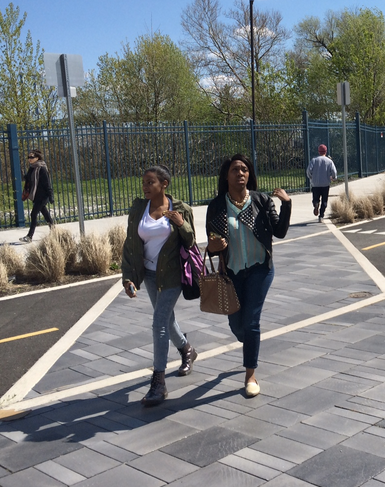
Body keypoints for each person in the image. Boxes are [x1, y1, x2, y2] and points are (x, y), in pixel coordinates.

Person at [206, 154, 291, 398]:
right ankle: (249, 343)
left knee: (252, 321)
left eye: (244, 169)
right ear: (226, 175)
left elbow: (280, 232)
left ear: (249, 175)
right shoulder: (217, 206)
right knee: (237, 325)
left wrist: (286, 204)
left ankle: (250, 375)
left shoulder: (261, 200)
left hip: (260, 269)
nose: (240, 173)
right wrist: (213, 246)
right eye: (235, 170)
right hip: (231, 272)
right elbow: (211, 243)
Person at [121, 165, 198, 407]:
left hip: (173, 275)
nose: (145, 187)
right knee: (165, 319)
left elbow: (191, 240)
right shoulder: (138, 209)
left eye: (150, 182)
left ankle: (159, 382)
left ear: (164, 184)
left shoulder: (181, 209)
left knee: (158, 323)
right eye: (143, 182)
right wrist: (127, 276)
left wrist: (181, 223)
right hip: (150, 276)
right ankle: (187, 349)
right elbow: (130, 243)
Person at [20, 149, 54, 243]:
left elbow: (47, 183)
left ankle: (29, 236)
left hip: (43, 195)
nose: (29, 159)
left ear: (37, 158)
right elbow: (31, 180)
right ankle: (54, 231)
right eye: (28, 157)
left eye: (32, 157)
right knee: (46, 214)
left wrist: (50, 195)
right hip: (36, 195)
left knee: (33, 214)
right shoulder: (32, 168)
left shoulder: (41, 168)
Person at [307, 144, 337, 222]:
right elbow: (334, 171)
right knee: (324, 200)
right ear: (326, 152)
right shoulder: (329, 161)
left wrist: (311, 177)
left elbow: (308, 171)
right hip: (325, 184)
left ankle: (316, 204)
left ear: (318, 151)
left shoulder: (314, 160)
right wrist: (333, 178)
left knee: (315, 198)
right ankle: (321, 216)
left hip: (315, 183)